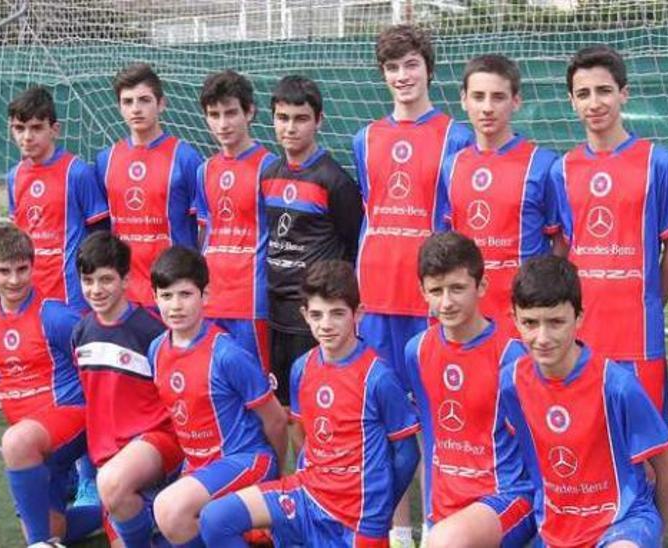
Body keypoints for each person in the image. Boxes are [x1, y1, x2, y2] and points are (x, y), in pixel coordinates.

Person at [197, 260, 421, 547]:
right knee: (215, 518)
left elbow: (406, 453)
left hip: (357, 519)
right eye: (317, 314)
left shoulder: (378, 377)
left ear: (358, 314)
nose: (326, 324)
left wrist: (381, 509)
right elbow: (302, 433)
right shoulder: (302, 368)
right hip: (307, 495)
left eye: (337, 313)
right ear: (305, 315)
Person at [352, 25, 473, 543]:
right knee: (386, 422)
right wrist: (357, 298)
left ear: (428, 67)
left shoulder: (456, 136)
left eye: (411, 65)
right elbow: (368, 218)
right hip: (377, 300)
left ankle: (438, 523)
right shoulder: (365, 138)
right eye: (393, 68)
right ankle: (397, 531)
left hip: (431, 302)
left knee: (436, 420)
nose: (403, 76)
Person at [498, 255, 668, 547]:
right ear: (515, 319)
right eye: (530, 323)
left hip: (622, 523)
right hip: (556, 528)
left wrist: (649, 536)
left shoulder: (617, 385)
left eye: (556, 322)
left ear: (579, 318)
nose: (542, 337)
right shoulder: (511, 383)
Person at [554, 45, 668, 417]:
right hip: (579, 331)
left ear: (623, 94)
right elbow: (562, 249)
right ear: (571, 102)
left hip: (637, 333)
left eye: (604, 91)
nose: (594, 103)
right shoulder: (562, 169)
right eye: (584, 94)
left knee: (644, 448)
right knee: (586, 435)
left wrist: (650, 303)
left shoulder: (657, 162)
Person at [146, 246, 288, 547]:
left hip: (245, 459)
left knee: (170, 510)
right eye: (166, 295)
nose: (175, 305)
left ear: (205, 296)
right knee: (169, 519)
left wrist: (274, 475)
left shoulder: (227, 354)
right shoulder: (156, 349)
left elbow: (275, 419)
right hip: (199, 466)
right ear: (155, 297)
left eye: (185, 294)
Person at [402, 232, 535, 547]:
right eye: (436, 290)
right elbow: (431, 438)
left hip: (505, 496)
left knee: (447, 542)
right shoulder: (416, 351)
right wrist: (429, 518)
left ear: (482, 287)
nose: (446, 302)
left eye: (457, 288)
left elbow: (536, 443)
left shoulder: (511, 357)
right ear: (423, 292)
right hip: (446, 507)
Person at [0, 226, 98, 547]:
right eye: (4, 271)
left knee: (15, 441)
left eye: (22, 269)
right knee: (53, 528)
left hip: (71, 418)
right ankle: (136, 510)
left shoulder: (55, 317)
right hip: (34, 441)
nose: (14, 280)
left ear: (33, 266)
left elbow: (96, 370)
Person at [438, 54, 566, 340]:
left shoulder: (543, 164)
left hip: (523, 318)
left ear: (516, 101)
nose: (487, 108)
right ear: (463, 100)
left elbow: (560, 242)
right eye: (478, 97)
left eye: (498, 97)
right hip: (469, 315)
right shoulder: (451, 166)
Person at [71, 231, 181, 548]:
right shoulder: (81, 332)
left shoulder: (152, 332)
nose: (96, 289)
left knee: (114, 483)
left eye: (106, 279)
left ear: (126, 279)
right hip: (110, 460)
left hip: (156, 441)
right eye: (88, 280)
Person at [261, 74, 364, 408]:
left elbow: (351, 245)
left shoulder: (335, 180)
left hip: (314, 316)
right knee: (284, 403)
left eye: (301, 118)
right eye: (283, 118)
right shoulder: (269, 174)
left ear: (319, 120)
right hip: (275, 310)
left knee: (317, 402)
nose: (290, 128)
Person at [192, 70, 278, 379]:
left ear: (250, 112)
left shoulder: (269, 167)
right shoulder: (204, 171)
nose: (223, 124)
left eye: (231, 113)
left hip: (252, 301)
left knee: (257, 385)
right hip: (212, 299)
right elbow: (205, 234)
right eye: (214, 115)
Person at [97, 62, 203, 308]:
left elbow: (203, 227)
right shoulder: (105, 160)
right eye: (128, 101)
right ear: (119, 107)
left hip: (171, 293)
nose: (136, 109)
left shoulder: (185, 157)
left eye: (144, 100)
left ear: (161, 103)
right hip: (123, 296)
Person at [5, 85, 109, 312]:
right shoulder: (14, 177)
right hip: (29, 293)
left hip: (71, 296)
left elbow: (101, 234)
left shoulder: (77, 172)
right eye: (19, 128)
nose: (27, 137)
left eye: (36, 128)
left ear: (55, 130)